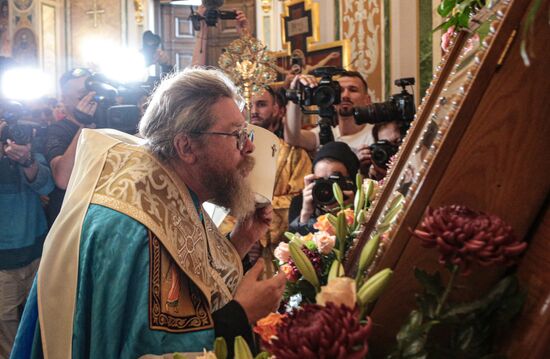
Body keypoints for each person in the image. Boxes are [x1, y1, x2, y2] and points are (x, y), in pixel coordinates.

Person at [11, 68, 287, 358]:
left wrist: (240, 241)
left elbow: (194, 285)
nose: (250, 146)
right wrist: (240, 315)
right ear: (186, 147)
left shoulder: (166, 189)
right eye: (236, 135)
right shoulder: (135, 227)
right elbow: (149, 350)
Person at [219, 86, 312, 268]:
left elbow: (298, 201)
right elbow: (219, 201)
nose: (254, 111)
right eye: (248, 106)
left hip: (280, 254)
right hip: (233, 250)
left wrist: (257, 228)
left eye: (261, 105)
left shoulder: (294, 155)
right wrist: (239, 233)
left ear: (277, 109)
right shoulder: (228, 153)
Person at [0, 121, 54, 358]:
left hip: (36, 254)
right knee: (7, 332)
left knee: (41, 320)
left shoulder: (30, 150)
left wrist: (26, 159)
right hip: (3, 265)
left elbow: (47, 184)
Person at [44, 68, 98, 226]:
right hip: (73, 221)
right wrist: (84, 124)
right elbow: (63, 179)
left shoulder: (109, 120)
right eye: (83, 96)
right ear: (63, 100)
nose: (90, 99)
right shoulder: (57, 130)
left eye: (93, 93)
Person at [284, 70, 375, 156]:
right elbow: (293, 139)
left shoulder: (376, 133)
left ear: (367, 100)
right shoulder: (325, 132)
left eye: (353, 90)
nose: (345, 95)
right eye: (340, 90)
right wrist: (295, 93)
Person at [288, 141, 359, 235]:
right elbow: (296, 246)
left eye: (334, 180)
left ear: (351, 181)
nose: (327, 187)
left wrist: (353, 208)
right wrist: (306, 214)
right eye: (321, 180)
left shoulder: (364, 200)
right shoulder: (301, 203)